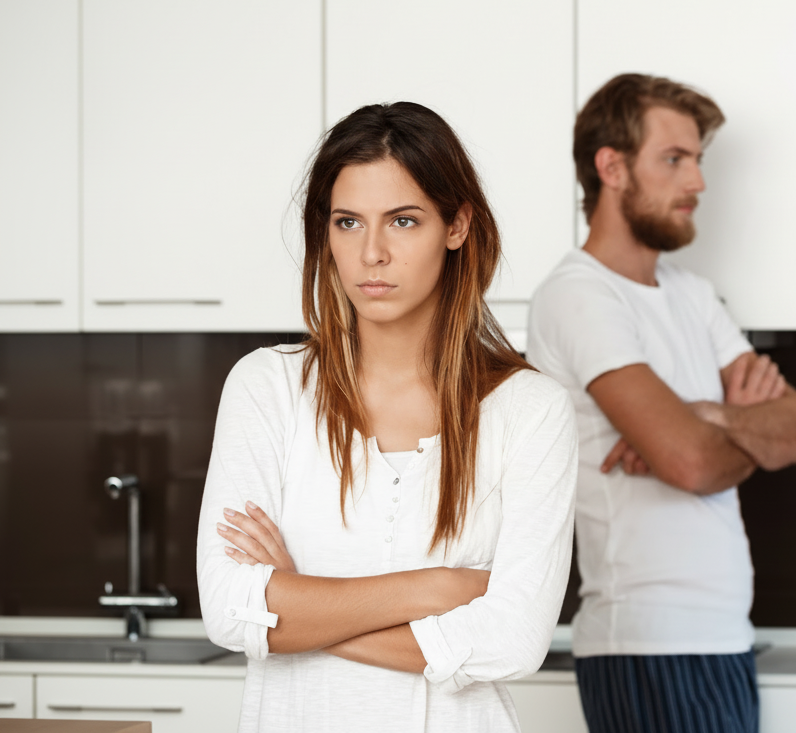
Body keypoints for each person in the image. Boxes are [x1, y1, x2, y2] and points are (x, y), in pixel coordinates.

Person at [197, 102, 578, 733]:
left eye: (403, 220)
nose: (371, 253)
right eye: (348, 222)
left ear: (457, 226)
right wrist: (436, 588)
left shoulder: (530, 410)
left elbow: (513, 641)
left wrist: (297, 606)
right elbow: (228, 610)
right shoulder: (267, 388)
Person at [527, 74, 796, 733]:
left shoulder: (692, 294)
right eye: (674, 159)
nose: (699, 182)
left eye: (698, 160)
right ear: (612, 168)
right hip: (646, 643)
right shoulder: (578, 295)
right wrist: (729, 435)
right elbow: (690, 464)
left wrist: (706, 414)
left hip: (722, 636)